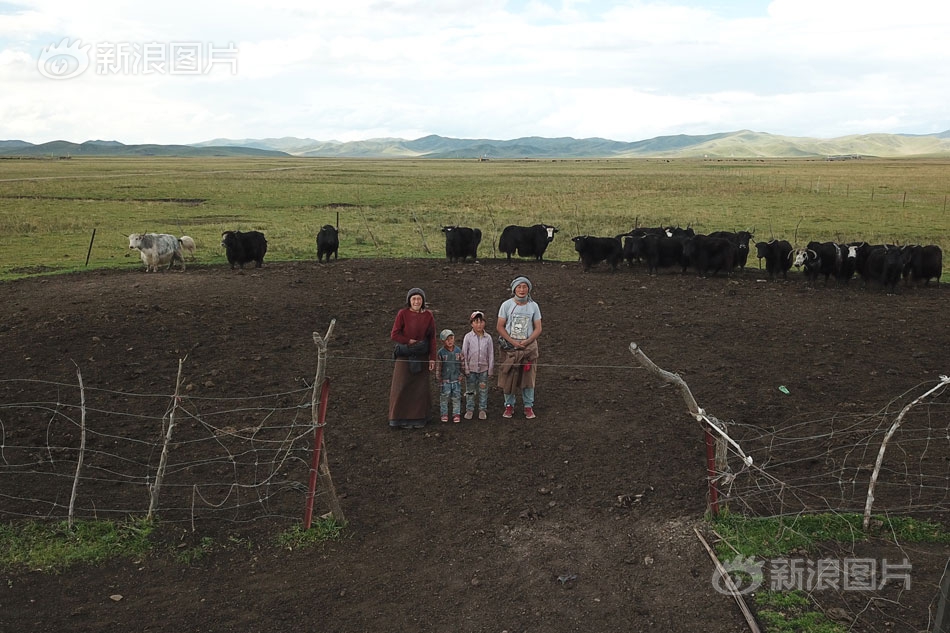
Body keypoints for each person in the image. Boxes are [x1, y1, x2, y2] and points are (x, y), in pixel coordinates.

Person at [388, 287, 436, 428]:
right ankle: (398, 418)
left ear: (423, 301)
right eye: (414, 299)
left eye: (419, 299)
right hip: (405, 355)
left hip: (421, 355)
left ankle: (419, 418)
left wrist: (432, 358)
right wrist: (409, 341)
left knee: (420, 389)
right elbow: (394, 334)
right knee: (401, 385)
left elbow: (432, 338)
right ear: (409, 300)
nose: (416, 301)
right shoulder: (402, 314)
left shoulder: (428, 316)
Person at [496, 276, 542, 419]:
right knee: (508, 377)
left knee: (528, 378)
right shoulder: (506, 305)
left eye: (525, 287)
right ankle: (509, 406)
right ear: (514, 289)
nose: (522, 290)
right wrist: (513, 342)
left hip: (528, 348)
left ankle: (528, 406)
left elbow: (538, 328)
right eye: (519, 287)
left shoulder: (534, 306)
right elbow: (500, 326)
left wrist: (527, 341)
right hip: (510, 348)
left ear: (528, 289)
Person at [462, 310, 494, 420]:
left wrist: (490, 369)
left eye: (481, 322)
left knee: (483, 389)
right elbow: (464, 353)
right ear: (472, 324)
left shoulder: (488, 338)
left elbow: (491, 354)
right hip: (471, 369)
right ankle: (470, 409)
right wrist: (465, 368)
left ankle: (482, 409)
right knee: (470, 389)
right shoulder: (468, 337)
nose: (479, 324)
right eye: (476, 322)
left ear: (484, 323)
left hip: (483, 369)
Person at [436, 329, 464, 423]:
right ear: (443, 341)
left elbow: (462, 363)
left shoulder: (458, 351)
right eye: (447, 339)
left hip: (456, 378)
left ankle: (456, 414)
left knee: (456, 397)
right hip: (445, 379)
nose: (450, 341)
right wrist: (439, 378)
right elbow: (439, 366)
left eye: (451, 338)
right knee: (444, 397)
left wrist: (462, 374)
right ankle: (444, 414)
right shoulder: (441, 353)